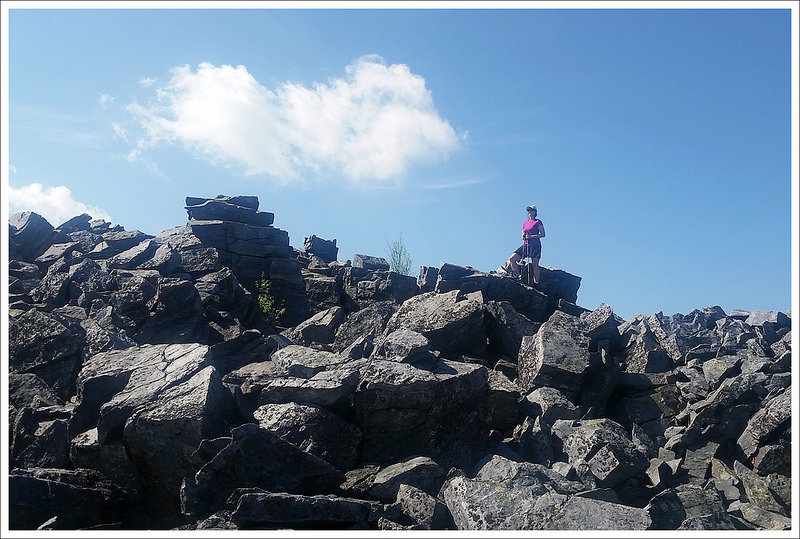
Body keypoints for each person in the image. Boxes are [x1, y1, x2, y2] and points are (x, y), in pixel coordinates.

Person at [506, 204, 545, 285]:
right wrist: (523, 236)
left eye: (531, 210)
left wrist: (530, 236)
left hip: (535, 245)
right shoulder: (525, 223)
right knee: (511, 259)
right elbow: (522, 234)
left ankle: (536, 283)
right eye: (528, 210)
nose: (529, 212)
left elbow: (543, 234)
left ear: (535, 212)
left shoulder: (537, 222)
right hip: (526, 244)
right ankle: (518, 276)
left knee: (535, 265)